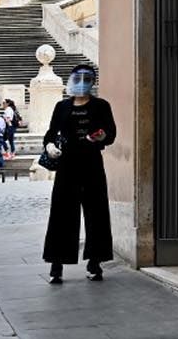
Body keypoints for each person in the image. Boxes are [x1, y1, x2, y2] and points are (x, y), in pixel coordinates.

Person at [42, 64, 115, 283]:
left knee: (96, 213)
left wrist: (100, 137)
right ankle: (57, 264)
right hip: (66, 166)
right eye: (78, 77)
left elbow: (111, 133)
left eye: (87, 78)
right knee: (61, 214)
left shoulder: (101, 106)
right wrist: (49, 147)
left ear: (93, 82)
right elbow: (50, 134)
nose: (82, 82)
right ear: (71, 80)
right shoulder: (61, 107)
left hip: (92, 163)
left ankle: (95, 262)